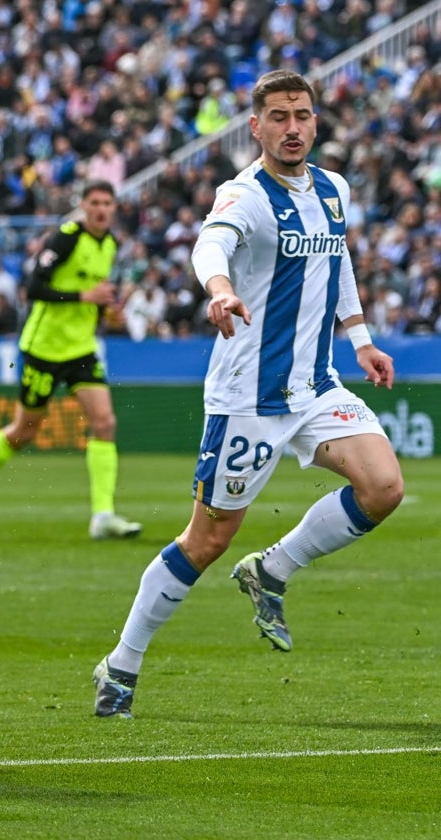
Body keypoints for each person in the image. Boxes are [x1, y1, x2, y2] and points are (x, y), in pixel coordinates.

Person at [93, 70, 404, 719]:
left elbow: (336, 259)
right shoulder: (245, 195)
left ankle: (273, 569)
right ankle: (122, 663)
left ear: (317, 122)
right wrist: (218, 289)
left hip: (316, 386)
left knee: (384, 487)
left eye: (302, 115)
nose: (292, 128)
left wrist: (361, 338)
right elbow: (213, 243)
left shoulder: (334, 189)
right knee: (207, 541)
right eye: (279, 117)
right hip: (249, 398)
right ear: (255, 125)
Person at [0, 180, 142, 540]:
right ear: (83, 205)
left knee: (105, 423)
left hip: (81, 348)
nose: (101, 210)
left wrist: (105, 313)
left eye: (107, 203)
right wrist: (86, 295)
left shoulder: (110, 245)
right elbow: (35, 287)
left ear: (115, 208)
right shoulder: (65, 238)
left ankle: (103, 515)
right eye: (95, 202)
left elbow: (91, 298)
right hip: (44, 349)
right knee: (24, 431)